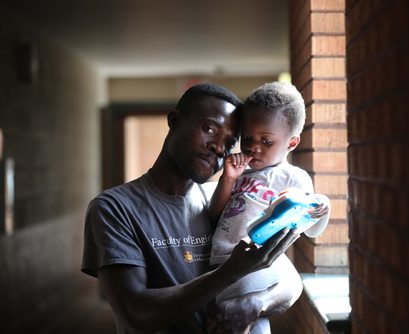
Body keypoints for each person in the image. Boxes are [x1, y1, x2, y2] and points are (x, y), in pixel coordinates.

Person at [81, 83, 303, 334]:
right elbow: (135, 313)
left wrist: (254, 303)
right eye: (210, 129)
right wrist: (231, 271)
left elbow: (291, 282)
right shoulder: (115, 209)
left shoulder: (227, 204)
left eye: (230, 142)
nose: (219, 147)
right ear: (174, 121)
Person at [207, 82, 330, 330]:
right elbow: (214, 216)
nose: (254, 147)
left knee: (247, 320)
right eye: (248, 138)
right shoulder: (240, 174)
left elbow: (309, 229)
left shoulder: (293, 179)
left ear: (291, 143)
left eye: (267, 141)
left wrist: (321, 207)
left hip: (257, 267)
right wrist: (228, 179)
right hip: (221, 264)